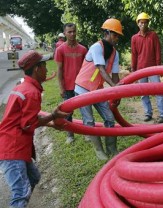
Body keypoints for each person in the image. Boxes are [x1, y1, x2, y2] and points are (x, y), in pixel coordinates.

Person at [0, 50, 69, 207]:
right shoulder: (31, 93)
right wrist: (52, 116)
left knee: (33, 178)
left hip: (13, 144)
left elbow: (25, 118)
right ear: (37, 69)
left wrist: (51, 124)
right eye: (44, 65)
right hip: (12, 149)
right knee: (20, 193)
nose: (46, 69)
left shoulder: (22, 87)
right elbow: (28, 124)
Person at [74, 18, 123, 160]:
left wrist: (117, 93)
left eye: (118, 36)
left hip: (97, 89)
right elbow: (101, 69)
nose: (116, 38)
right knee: (89, 122)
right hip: (83, 89)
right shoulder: (96, 47)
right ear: (106, 33)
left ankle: (112, 149)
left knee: (109, 118)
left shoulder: (115, 53)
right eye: (114, 35)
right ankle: (99, 151)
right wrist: (114, 88)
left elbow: (115, 76)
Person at [131, 12, 163, 123]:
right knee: (143, 93)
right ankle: (148, 113)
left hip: (153, 69)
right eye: (141, 22)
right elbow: (134, 54)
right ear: (138, 24)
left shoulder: (153, 35)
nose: (143, 24)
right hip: (140, 69)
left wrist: (159, 66)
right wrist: (133, 69)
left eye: (145, 22)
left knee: (158, 91)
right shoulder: (134, 38)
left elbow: (158, 51)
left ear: (148, 23)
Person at [54, 23, 87, 144]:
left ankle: (86, 133)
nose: (72, 34)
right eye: (69, 32)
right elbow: (59, 70)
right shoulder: (60, 49)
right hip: (68, 86)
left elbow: (87, 69)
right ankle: (70, 135)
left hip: (81, 86)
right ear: (65, 33)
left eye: (74, 31)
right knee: (68, 112)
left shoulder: (83, 49)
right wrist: (61, 87)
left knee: (85, 110)